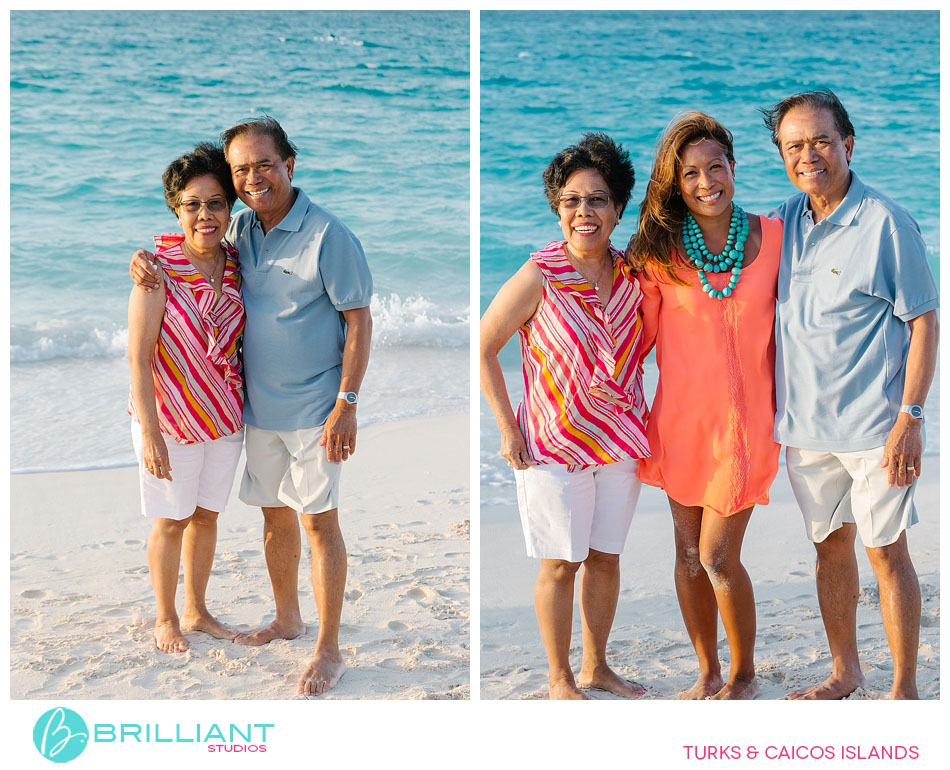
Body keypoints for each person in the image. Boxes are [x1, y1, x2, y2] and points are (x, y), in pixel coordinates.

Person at [131, 117, 373, 696]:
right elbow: (188, 240)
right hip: (255, 413)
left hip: (318, 408)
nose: (252, 177)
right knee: (273, 515)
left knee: (320, 524)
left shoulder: (328, 236)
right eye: (241, 168)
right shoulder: (241, 230)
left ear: (290, 163)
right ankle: (287, 618)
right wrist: (140, 258)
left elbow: (359, 319)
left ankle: (328, 649)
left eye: (263, 163)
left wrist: (348, 403)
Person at [762, 89, 938, 700]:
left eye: (819, 141)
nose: (807, 154)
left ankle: (905, 690)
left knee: (886, 554)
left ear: (847, 145)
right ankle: (845, 672)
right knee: (829, 551)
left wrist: (910, 418)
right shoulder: (782, 222)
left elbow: (924, 323)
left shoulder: (887, 222)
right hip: (803, 430)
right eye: (793, 145)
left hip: (875, 430)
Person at [480, 133, 649, 700]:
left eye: (598, 199)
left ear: (619, 208)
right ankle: (560, 677)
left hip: (622, 442)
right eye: (573, 200)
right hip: (551, 446)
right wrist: (508, 428)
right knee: (560, 564)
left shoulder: (634, 275)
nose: (585, 212)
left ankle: (597, 665)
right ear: (557, 208)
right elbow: (482, 347)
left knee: (605, 558)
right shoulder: (540, 274)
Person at [626, 112, 782, 700]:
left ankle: (743, 675)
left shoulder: (775, 239)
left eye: (715, 167)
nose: (705, 182)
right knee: (688, 555)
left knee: (717, 554)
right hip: (681, 423)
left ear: (734, 169)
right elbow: (631, 337)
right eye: (689, 173)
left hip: (747, 428)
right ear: (675, 182)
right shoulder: (659, 255)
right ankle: (708, 671)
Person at [128, 142, 245, 654]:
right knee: (171, 519)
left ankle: (197, 610)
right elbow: (139, 359)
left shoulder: (242, 262)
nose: (205, 214)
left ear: (230, 208)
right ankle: (166, 617)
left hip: (223, 416)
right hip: (170, 419)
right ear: (176, 209)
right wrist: (150, 433)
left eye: (216, 202)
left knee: (206, 516)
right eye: (192, 204)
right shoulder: (156, 272)